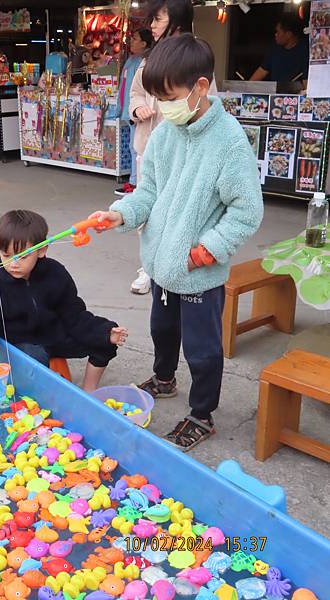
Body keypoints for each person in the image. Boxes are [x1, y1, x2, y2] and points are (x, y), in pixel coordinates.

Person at [90, 35, 263, 450]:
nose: (162, 106)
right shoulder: (167, 134)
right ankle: (164, 378)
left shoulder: (228, 142)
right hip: (161, 264)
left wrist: (207, 249)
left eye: (169, 96)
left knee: (202, 349)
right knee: (163, 330)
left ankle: (202, 414)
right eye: (158, 97)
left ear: (201, 87)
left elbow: (247, 211)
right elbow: (148, 192)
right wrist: (122, 213)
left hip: (198, 270)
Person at [0, 210, 128, 392]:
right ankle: (42, 393)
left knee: (104, 341)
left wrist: (104, 331)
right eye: (6, 255)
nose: (13, 264)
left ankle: (89, 391)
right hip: (19, 341)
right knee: (34, 360)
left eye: (23, 256)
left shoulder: (55, 273)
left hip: (54, 334)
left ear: (41, 250)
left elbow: (74, 314)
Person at [128, 0, 217, 295]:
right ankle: (149, 266)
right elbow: (136, 94)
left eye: (158, 18)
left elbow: (209, 107)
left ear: (177, 20)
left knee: (184, 208)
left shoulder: (195, 57)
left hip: (188, 152)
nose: (152, 25)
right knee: (148, 202)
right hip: (150, 144)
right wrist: (138, 107)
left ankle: (181, 261)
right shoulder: (147, 58)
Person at [115, 29, 153, 197]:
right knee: (133, 147)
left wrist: (138, 109)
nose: (131, 41)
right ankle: (134, 181)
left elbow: (140, 90)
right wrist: (120, 109)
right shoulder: (130, 61)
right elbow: (125, 89)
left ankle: (136, 183)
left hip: (140, 113)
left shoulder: (145, 61)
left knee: (138, 148)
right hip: (129, 111)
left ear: (144, 43)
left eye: (135, 39)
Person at [250, 15, 309, 84]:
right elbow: (262, 70)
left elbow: (306, 81)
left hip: (295, 92)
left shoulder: (304, 51)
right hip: (275, 92)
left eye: (278, 32)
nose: (275, 34)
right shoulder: (274, 49)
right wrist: (247, 87)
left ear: (288, 34)